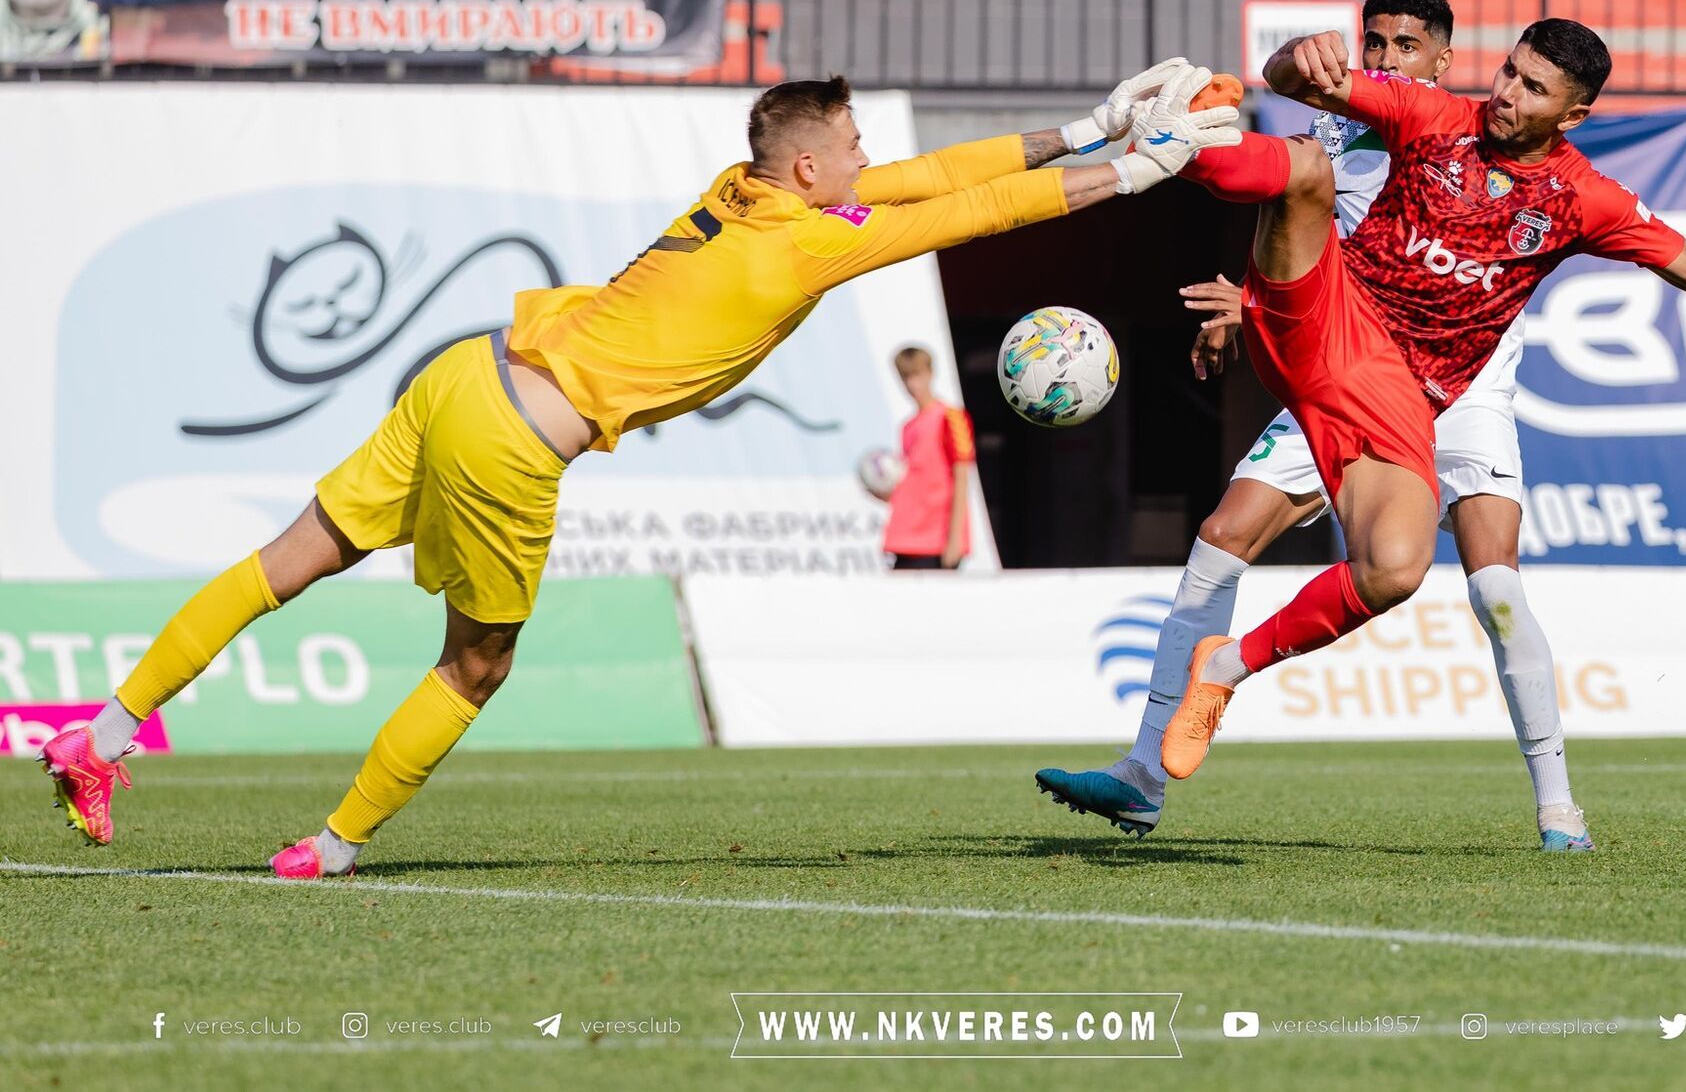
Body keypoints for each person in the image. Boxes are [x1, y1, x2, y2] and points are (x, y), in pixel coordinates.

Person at [39, 60, 1239, 876]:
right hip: (514, 441)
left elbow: (925, 179)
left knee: (283, 560)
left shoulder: (745, 192)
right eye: (854, 148)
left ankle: (101, 731)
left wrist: (1089, 128)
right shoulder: (804, 254)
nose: (870, 161)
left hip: (463, 375)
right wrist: (1138, 169)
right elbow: (971, 214)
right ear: (811, 174)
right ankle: (333, 845)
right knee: (476, 662)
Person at [1133, 20, 1686, 800]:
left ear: (1571, 116)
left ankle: (1226, 668)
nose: (1505, 93)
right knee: (1306, 171)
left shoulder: (1583, 199)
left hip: (1412, 399)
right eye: (1509, 71)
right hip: (1331, 328)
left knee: (1397, 572)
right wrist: (1295, 59)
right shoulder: (1432, 117)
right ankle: (1175, 140)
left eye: (1533, 88)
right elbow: (1293, 83)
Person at [1038, 0, 1608, 851]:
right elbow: (1302, 220)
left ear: (1442, 62)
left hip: (1467, 383)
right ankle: (1144, 774)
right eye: (1372, 42)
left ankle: (1558, 804)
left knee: (1494, 586)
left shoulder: (1438, 126)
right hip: (1358, 369)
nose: (1382, 60)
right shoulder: (1342, 125)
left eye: (1405, 46)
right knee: (1223, 536)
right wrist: (1256, 302)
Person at [882, 345, 977, 571]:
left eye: (917, 375)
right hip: (905, 537)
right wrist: (884, 493)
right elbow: (912, 484)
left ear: (930, 373)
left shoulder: (951, 417)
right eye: (906, 377)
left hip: (935, 540)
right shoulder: (907, 426)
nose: (912, 384)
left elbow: (962, 477)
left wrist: (955, 540)